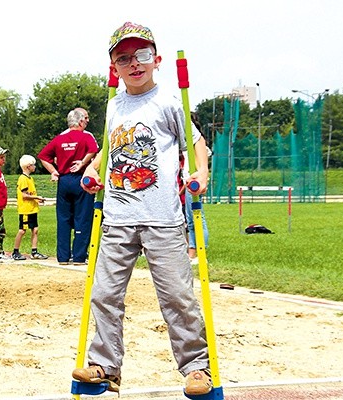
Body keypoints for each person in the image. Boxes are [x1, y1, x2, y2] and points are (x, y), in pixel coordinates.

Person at [72, 22, 212, 396]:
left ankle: (197, 368)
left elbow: (197, 145)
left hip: (162, 218)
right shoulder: (113, 106)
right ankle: (105, 365)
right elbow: (107, 149)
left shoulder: (169, 101)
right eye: (124, 58)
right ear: (113, 68)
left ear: (157, 59)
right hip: (118, 219)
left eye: (143, 56)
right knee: (104, 293)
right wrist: (92, 168)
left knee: (177, 297)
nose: (135, 63)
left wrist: (202, 171)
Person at [37, 108, 98, 265]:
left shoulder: (59, 139)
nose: (86, 122)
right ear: (79, 122)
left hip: (64, 181)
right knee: (83, 218)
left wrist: (54, 171)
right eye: (85, 119)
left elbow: (43, 156)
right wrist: (83, 162)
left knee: (63, 219)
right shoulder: (85, 137)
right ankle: (78, 257)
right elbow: (94, 150)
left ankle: (63, 257)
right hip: (81, 180)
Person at [182, 114, 210, 265]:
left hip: (193, 183)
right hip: (187, 181)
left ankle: (199, 253)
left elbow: (202, 162)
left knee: (197, 218)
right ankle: (192, 253)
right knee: (191, 220)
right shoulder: (186, 143)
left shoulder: (197, 144)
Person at [11, 155, 49, 261]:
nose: (35, 167)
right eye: (33, 165)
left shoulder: (30, 178)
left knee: (35, 229)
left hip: (32, 209)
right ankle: (15, 251)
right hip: (26, 210)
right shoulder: (23, 179)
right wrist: (37, 197)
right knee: (22, 230)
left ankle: (34, 251)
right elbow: (24, 195)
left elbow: (30, 194)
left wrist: (37, 200)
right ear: (28, 166)